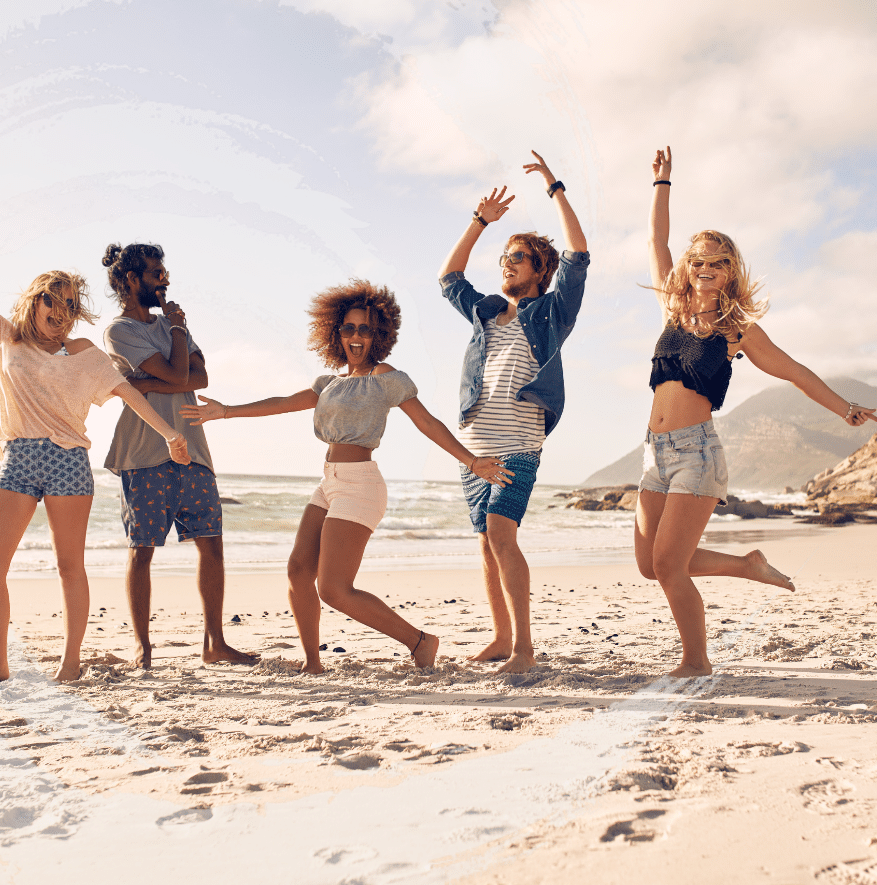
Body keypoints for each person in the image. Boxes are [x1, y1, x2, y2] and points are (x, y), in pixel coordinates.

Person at [0, 198, 192, 682]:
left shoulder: (85, 354)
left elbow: (129, 396)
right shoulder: (4, 338)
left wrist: (169, 435)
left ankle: (71, 662)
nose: (59, 310)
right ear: (33, 300)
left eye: (69, 305)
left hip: (68, 462)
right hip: (18, 457)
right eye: (51, 300)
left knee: (68, 567)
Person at [180, 279, 511, 673]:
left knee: (334, 589)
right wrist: (227, 410)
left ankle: (421, 641)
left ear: (378, 335)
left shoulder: (384, 377)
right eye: (349, 328)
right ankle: (312, 663)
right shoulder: (329, 383)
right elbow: (284, 403)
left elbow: (426, 422)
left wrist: (471, 460)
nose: (357, 336)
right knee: (298, 571)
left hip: (361, 484)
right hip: (329, 482)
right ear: (337, 332)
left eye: (365, 329)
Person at [638, 147, 877, 678]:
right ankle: (746, 565)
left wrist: (845, 409)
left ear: (730, 273)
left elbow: (794, 370)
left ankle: (695, 662)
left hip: (697, 454)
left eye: (715, 263)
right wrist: (663, 182)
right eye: (696, 261)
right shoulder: (671, 307)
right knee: (649, 566)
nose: (703, 269)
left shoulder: (738, 330)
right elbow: (656, 240)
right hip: (653, 455)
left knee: (668, 566)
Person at [437, 150, 590, 674]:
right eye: (505, 256)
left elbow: (578, 253)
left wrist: (555, 187)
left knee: (502, 536)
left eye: (518, 257)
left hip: (518, 446)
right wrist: (480, 221)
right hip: (472, 451)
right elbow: (448, 277)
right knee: (486, 545)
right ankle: (501, 636)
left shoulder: (551, 312)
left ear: (540, 269)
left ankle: (524, 648)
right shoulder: (483, 312)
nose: (507, 263)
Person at [101, 243, 256, 670]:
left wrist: (148, 383)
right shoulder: (119, 331)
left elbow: (199, 376)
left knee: (212, 547)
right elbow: (177, 373)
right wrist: (172, 352)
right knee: (142, 548)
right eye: (155, 273)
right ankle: (143, 648)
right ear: (131, 280)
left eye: (164, 272)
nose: (164, 280)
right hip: (145, 451)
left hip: (195, 448)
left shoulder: (173, 327)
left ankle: (215, 644)